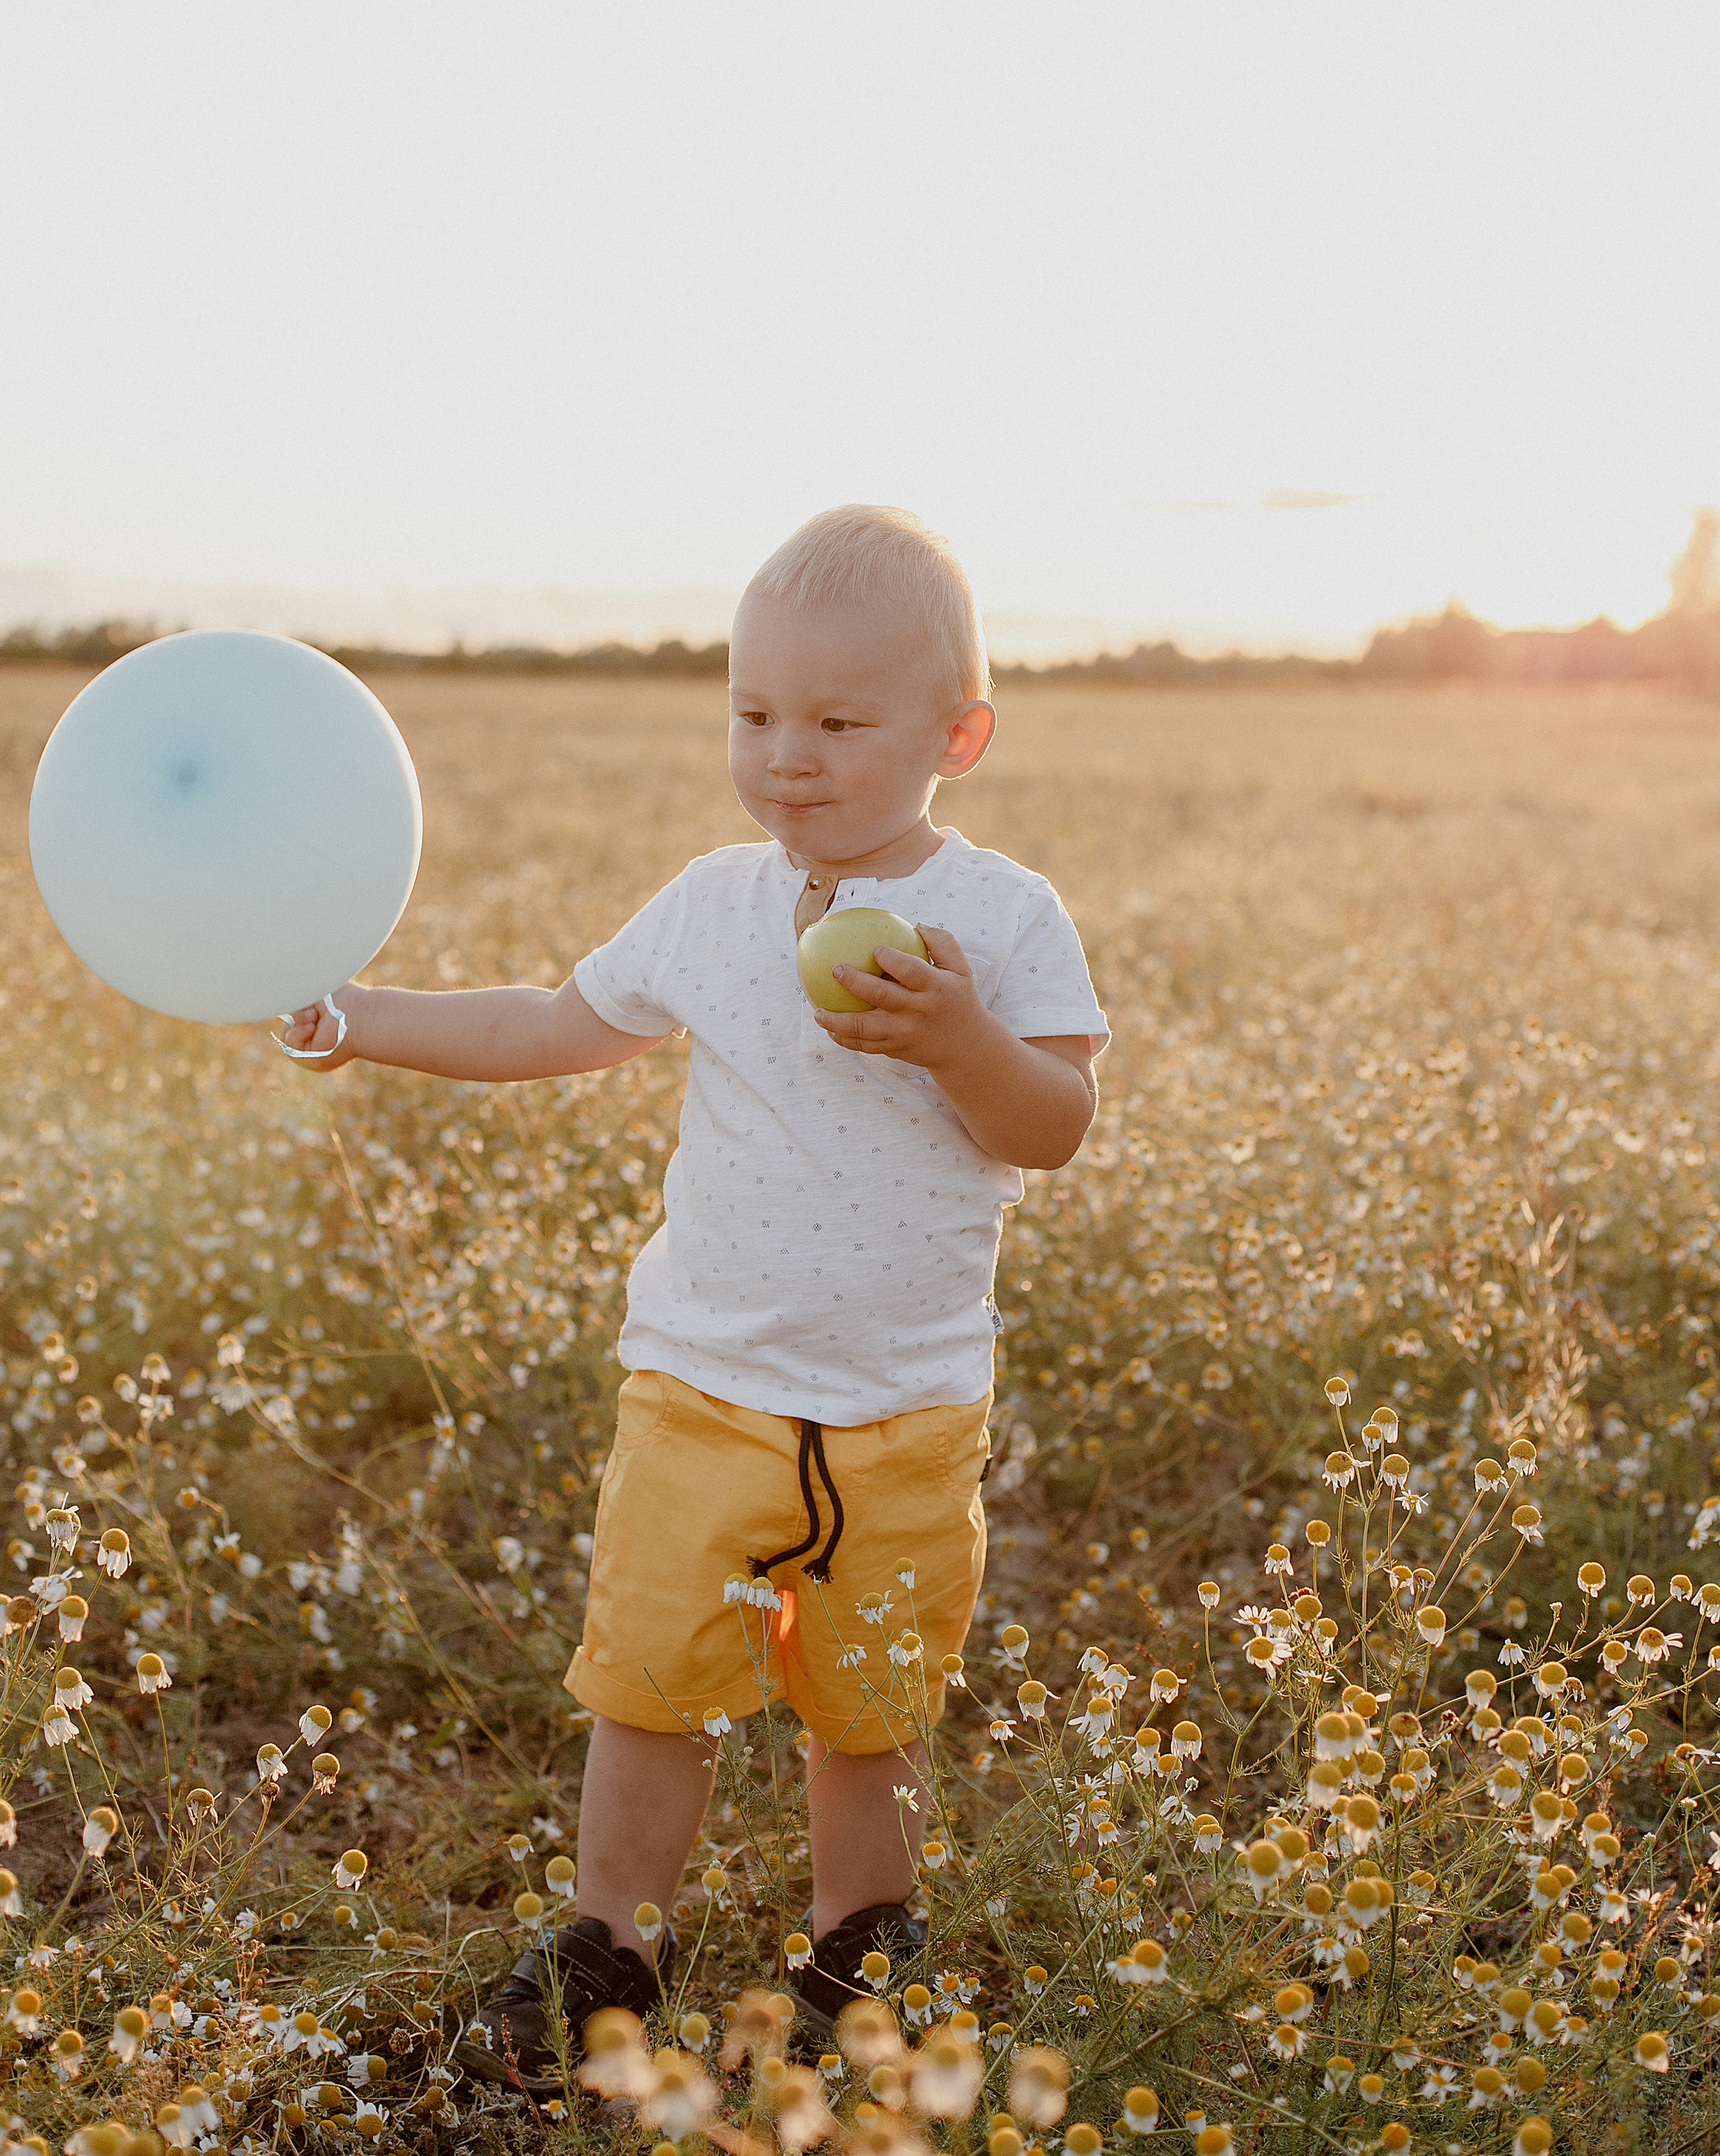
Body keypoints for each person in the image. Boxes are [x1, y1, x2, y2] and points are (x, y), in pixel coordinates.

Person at [277, 503, 1107, 2094]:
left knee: (865, 1714)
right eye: (752, 715)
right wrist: (362, 1018)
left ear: (959, 734)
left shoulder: (997, 922)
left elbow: (1049, 1129)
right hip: (702, 1386)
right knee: (651, 1690)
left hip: (904, 1406)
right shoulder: (712, 905)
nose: (786, 757)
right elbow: (550, 1026)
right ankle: (611, 1943)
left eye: (836, 722)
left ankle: (858, 1950)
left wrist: (956, 1040)